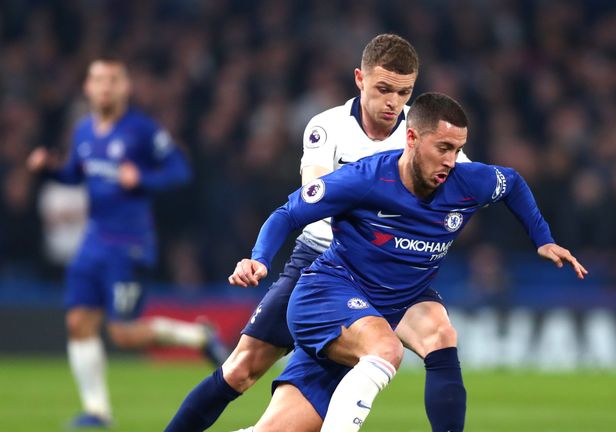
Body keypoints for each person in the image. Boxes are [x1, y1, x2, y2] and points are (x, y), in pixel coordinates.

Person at [229, 92, 587, 432]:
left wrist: (543, 239)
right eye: (443, 147)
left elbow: (512, 183)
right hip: (327, 294)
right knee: (387, 348)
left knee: (440, 333)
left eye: (458, 149)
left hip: (395, 300)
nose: (451, 160)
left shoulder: (468, 181)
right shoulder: (366, 179)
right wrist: (259, 259)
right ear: (412, 138)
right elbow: (287, 214)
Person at [166, 34, 471, 432]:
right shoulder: (327, 127)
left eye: (404, 92)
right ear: (360, 79)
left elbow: (464, 184)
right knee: (240, 370)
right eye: (383, 89)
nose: (393, 103)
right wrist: (260, 257)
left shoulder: (423, 133)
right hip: (322, 263)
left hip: (391, 269)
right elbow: (313, 199)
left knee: (440, 334)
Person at [26, 58, 229, 429]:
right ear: (87, 87)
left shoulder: (141, 130)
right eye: (98, 80)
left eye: (113, 80)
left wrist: (144, 177)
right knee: (78, 322)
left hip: (129, 243)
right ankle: (97, 412)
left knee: (122, 332)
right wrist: (51, 169)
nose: (105, 87)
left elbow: (180, 169)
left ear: (125, 88)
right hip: (93, 240)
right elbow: (77, 172)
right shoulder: (84, 131)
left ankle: (199, 336)